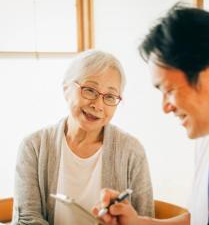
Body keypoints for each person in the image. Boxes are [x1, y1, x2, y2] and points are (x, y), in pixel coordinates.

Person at [93, 3, 209, 225]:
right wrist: (137, 222)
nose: (165, 107)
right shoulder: (208, 138)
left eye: (170, 91)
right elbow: (202, 219)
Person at [12, 49, 153, 224]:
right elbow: (27, 219)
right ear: (66, 89)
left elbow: (144, 219)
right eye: (90, 90)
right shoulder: (33, 147)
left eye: (109, 96)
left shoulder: (132, 151)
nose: (98, 105)